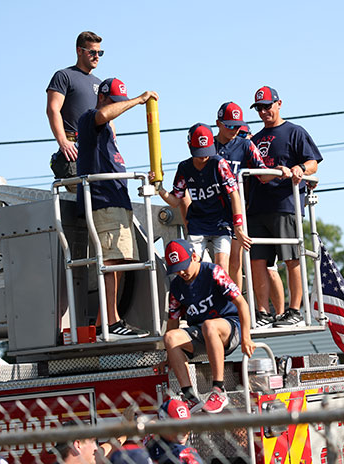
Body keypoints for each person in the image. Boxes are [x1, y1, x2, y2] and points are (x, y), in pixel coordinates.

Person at [76, 77, 158, 339]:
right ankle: (110, 323)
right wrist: (137, 100)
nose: (120, 108)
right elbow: (102, 114)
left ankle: (105, 322)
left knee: (118, 263)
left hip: (116, 202)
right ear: (101, 98)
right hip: (103, 202)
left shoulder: (108, 132)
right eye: (116, 102)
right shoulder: (90, 119)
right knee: (111, 262)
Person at [248, 86, 323, 328]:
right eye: (259, 108)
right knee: (258, 261)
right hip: (256, 207)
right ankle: (262, 312)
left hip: (285, 205)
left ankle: (294, 311)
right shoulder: (254, 139)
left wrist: (302, 169)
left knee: (291, 258)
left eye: (267, 106)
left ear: (279, 104)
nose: (264, 111)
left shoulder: (295, 132)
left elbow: (313, 163)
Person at [162, 239, 255, 414]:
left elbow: (242, 304)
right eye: (176, 269)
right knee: (170, 337)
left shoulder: (214, 272)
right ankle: (190, 397)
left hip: (228, 328)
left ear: (195, 257)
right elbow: (173, 321)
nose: (181, 272)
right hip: (202, 333)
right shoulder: (176, 287)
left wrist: (246, 337)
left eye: (184, 265)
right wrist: (169, 354)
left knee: (209, 326)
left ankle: (219, 390)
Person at [212, 104, 283, 325]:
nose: (234, 130)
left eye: (238, 126)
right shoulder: (208, 146)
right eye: (230, 126)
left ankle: (234, 309)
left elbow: (262, 172)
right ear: (219, 124)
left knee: (237, 263)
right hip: (209, 213)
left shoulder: (245, 145)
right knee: (213, 265)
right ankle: (219, 307)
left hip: (237, 212)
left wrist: (284, 171)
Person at [156, 124, 252, 274]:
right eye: (199, 152)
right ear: (189, 146)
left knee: (221, 268)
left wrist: (238, 226)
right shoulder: (184, 168)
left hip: (222, 223)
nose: (204, 156)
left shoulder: (219, 163)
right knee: (193, 268)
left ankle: (223, 296)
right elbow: (175, 201)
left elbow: (234, 194)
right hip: (198, 224)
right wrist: (159, 189)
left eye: (207, 151)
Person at [46, 31, 104, 192]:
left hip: (95, 150)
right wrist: (63, 142)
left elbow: (105, 118)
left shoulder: (99, 84)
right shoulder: (64, 76)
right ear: (79, 51)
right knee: (83, 201)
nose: (97, 56)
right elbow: (52, 109)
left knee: (101, 201)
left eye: (100, 52)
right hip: (74, 151)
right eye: (92, 52)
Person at [143, 398, 204, 463]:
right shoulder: (183, 453)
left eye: (187, 426)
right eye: (177, 427)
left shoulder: (152, 441)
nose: (184, 432)